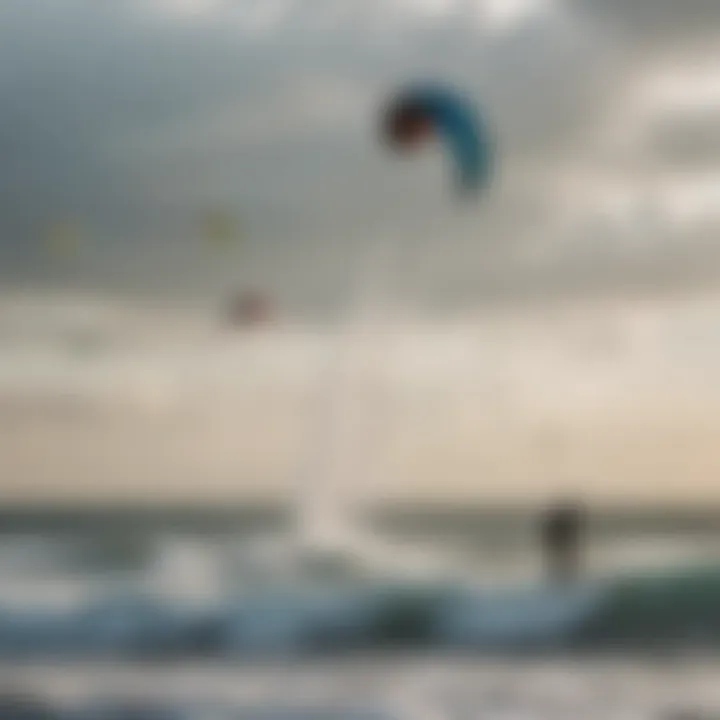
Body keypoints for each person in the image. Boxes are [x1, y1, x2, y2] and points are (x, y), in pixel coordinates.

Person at [539, 499, 587, 585]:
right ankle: (563, 578)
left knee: (561, 561)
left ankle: (562, 578)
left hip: (561, 546)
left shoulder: (557, 523)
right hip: (561, 546)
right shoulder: (562, 523)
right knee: (562, 561)